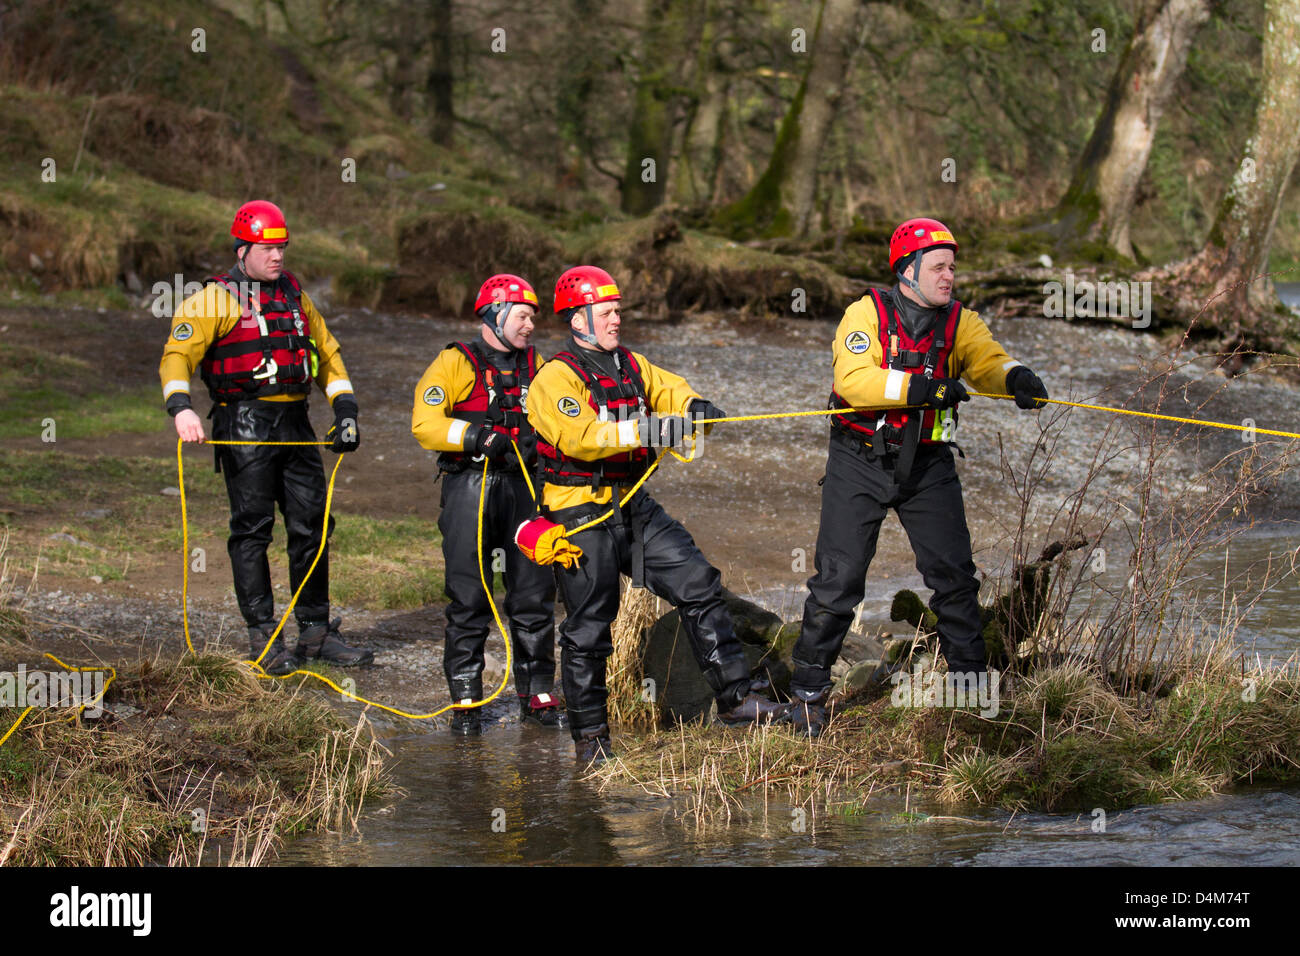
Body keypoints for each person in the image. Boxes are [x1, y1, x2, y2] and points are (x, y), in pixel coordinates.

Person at [789, 217, 1050, 736]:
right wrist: (922, 388)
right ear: (907, 271)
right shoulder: (864, 315)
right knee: (838, 582)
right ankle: (808, 696)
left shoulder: (962, 322)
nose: (949, 275)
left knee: (954, 578)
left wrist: (1015, 376)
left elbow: (987, 363)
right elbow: (855, 380)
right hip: (858, 459)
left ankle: (972, 693)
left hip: (928, 465)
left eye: (953, 266)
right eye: (939, 266)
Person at [526, 265, 789, 764]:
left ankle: (736, 700)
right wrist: (653, 430)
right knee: (588, 628)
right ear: (578, 321)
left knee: (698, 582)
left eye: (618, 310)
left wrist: (694, 406)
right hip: (578, 513)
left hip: (634, 506)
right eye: (605, 313)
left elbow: (672, 390)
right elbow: (584, 437)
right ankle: (591, 739)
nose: (616, 319)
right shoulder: (554, 378)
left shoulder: (631, 365)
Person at [160, 200, 372, 676]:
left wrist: (345, 409)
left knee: (312, 526)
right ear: (242, 250)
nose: (277, 256)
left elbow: (327, 354)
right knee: (253, 529)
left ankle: (316, 631)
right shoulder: (212, 299)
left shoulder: (295, 295)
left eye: (282, 247)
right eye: (267, 248)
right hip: (243, 424)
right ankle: (263, 635)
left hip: (295, 422)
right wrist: (181, 408)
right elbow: (176, 358)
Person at [411, 273, 560, 735]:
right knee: (469, 595)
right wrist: (475, 435)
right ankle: (466, 696)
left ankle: (537, 691)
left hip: (526, 490)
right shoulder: (454, 362)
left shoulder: (543, 366)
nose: (530, 325)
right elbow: (424, 423)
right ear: (495, 316)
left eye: (533, 317)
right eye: (522, 316)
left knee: (534, 594)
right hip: (470, 490)